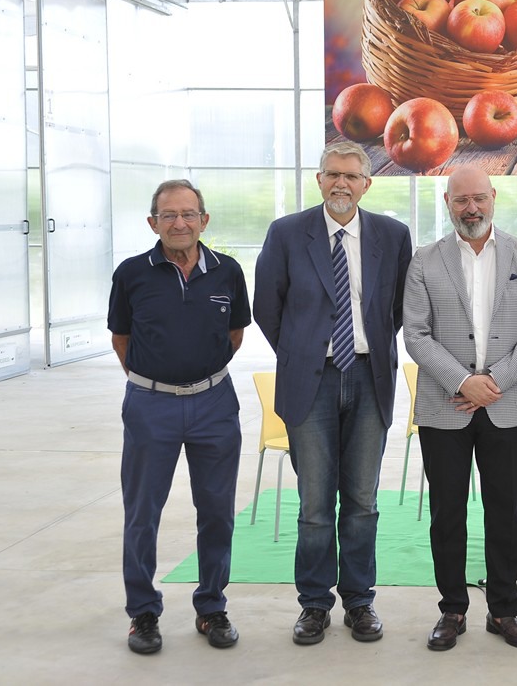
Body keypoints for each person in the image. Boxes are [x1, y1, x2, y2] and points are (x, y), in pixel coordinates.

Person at [253, 141, 412, 646]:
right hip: (311, 382)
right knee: (315, 504)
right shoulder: (286, 233)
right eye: (332, 174)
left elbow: (398, 308)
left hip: (369, 377)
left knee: (362, 501)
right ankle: (315, 604)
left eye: (351, 175)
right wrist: (302, 352)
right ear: (318, 179)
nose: (341, 183)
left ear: (367, 183)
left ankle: (360, 602)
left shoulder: (392, 235)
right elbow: (266, 306)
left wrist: (364, 346)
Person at [403, 165, 517, 651]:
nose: (472, 208)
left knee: (503, 510)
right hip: (444, 405)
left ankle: (504, 611)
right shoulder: (425, 260)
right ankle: (452, 609)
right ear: (447, 202)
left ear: (493, 197)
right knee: (447, 513)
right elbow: (415, 334)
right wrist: (464, 380)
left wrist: (494, 381)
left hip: (506, 405)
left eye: (479, 198)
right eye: (461, 200)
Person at [107, 179, 251, 655]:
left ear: (204, 220)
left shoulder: (228, 272)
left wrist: (198, 376)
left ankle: (212, 607)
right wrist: (156, 382)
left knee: (217, 512)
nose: (179, 223)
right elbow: (122, 339)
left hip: (214, 404)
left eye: (188, 214)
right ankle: (143, 613)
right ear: (153, 223)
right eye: (168, 215)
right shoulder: (132, 274)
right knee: (142, 513)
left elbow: (234, 334)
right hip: (151, 407)